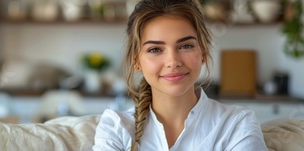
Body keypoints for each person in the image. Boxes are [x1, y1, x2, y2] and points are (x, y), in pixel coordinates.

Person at [92, 0, 267, 150]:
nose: (173, 61)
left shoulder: (237, 124)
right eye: (155, 49)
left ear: (203, 52)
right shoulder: (116, 127)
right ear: (136, 61)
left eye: (186, 46)